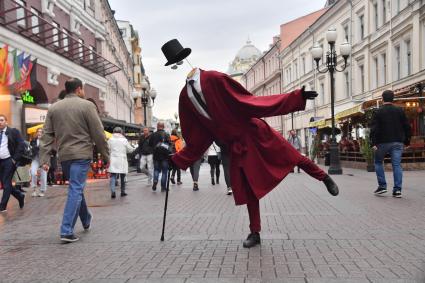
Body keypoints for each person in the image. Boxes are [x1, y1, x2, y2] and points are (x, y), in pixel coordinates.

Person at [161, 39, 339, 248]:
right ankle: (255, 232)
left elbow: (249, 102)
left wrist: (295, 98)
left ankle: (324, 177)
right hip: (235, 146)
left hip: (254, 133)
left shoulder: (215, 79)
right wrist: (178, 159)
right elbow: (198, 135)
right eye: (174, 61)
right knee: (249, 188)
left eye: (178, 59)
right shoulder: (185, 97)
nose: (178, 63)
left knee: (293, 156)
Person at [40, 79, 109, 243]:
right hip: (81, 155)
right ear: (79, 90)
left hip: (64, 156)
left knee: (75, 188)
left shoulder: (54, 107)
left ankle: (85, 219)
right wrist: (106, 157)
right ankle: (66, 230)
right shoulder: (87, 106)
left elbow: (46, 135)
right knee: (76, 189)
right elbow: (98, 133)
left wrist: (45, 159)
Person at [370, 90, 411, 198]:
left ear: (382, 99)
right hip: (398, 142)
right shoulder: (400, 111)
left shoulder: (377, 112)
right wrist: (407, 141)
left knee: (378, 162)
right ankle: (397, 190)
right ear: (393, 99)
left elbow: (374, 129)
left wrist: (373, 143)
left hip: (382, 142)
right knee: (396, 165)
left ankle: (382, 187)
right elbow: (407, 126)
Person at [0, 114, 25, 212]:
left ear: (6, 122)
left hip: (9, 161)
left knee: (6, 182)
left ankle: (2, 206)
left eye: (1, 120)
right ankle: (19, 195)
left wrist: (14, 159)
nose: (0, 122)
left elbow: (21, 145)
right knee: (5, 183)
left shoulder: (13, 132)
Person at [107, 127, 135, 198]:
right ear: (121, 132)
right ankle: (122, 191)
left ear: (113, 132)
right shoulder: (124, 140)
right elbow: (129, 150)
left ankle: (113, 191)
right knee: (123, 176)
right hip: (122, 159)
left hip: (113, 159)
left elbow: (107, 149)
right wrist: (134, 149)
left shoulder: (110, 140)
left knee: (113, 176)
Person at [149, 122, 171, 192]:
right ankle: (163, 187)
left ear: (157, 126)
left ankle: (155, 180)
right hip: (164, 156)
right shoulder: (167, 134)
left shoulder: (153, 135)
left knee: (156, 170)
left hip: (156, 155)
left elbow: (150, 144)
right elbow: (170, 145)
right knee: (164, 172)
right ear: (163, 127)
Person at [30, 128, 48, 197]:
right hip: (35, 159)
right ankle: (34, 189)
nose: (39, 133)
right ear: (36, 133)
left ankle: (42, 190)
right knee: (33, 173)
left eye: (41, 132)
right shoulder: (33, 140)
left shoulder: (46, 141)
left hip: (43, 159)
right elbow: (32, 149)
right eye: (38, 131)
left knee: (43, 175)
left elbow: (50, 150)